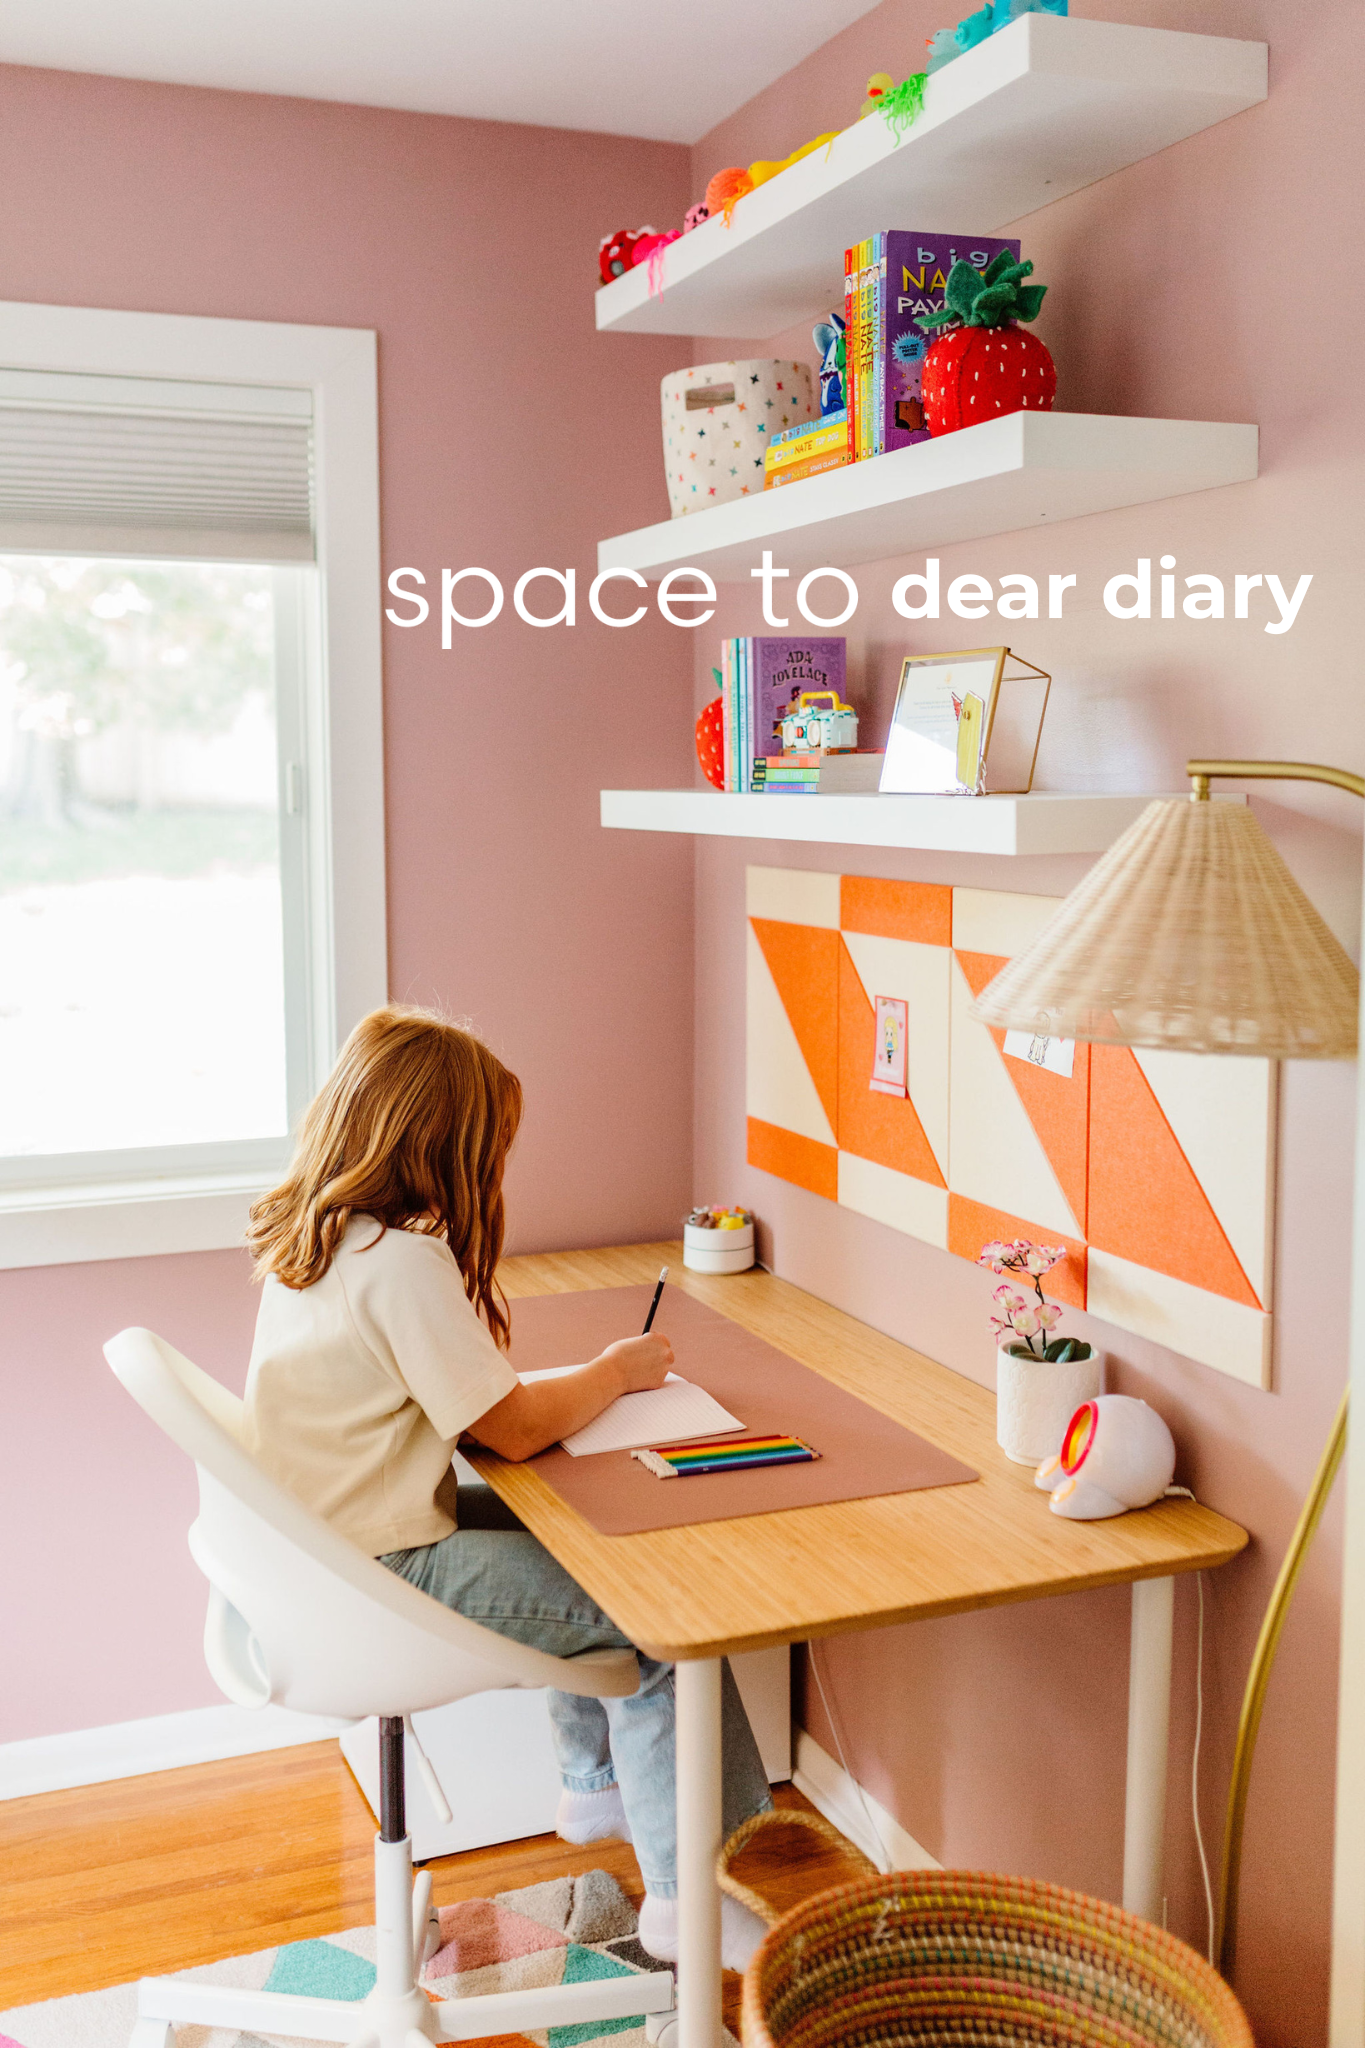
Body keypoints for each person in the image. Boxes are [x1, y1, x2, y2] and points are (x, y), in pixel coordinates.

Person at [242, 1004, 772, 1967]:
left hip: (324, 1549)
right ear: (443, 1142)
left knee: (578, 1544)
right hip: (382, 1567)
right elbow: (516, 1430)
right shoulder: (396, 1260)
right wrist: (614, 1371)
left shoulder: (322, 1234)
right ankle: (691, 1899)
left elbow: (476, 1406)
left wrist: (559, 1382)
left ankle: (594, 1785)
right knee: (661, 1626)